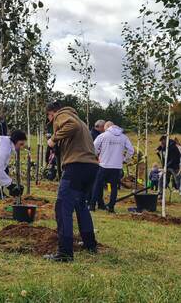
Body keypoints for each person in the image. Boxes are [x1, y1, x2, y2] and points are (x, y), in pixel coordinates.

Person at [44, 101, 99, 263]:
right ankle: (90, 244)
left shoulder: (63, 115)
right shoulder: (80, 120)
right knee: (81, 206)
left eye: (49, 117)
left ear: (52, 112)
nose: (51, 121)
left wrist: (53, 139)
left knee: (63, 207)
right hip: (91, 167)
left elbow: (71, 126)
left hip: (76, 168)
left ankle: (65, 252)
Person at [90, 121, 134, 213]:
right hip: (117, 166)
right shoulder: (123, 137)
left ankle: (92, 206)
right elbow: (131, 150)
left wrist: (97, 155)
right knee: (114, 187)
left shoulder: (103, 136)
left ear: (107, 127)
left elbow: (93, 147)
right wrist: (125, 159)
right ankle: (111, 208)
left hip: (104, 165)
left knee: (97, 185)